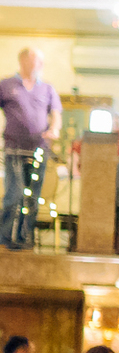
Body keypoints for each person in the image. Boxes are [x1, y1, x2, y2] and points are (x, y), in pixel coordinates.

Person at [2, 47, 61, 251]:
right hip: (14, 150)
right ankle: (5, 238)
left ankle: (24, 238)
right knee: (14, 194)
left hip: (39, 150)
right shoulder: (6, 85)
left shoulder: (47, 89)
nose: (39, 65)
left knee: (32, 197)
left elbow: (56, 113)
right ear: (23, 60)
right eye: (36, 60)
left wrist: (54, 129)